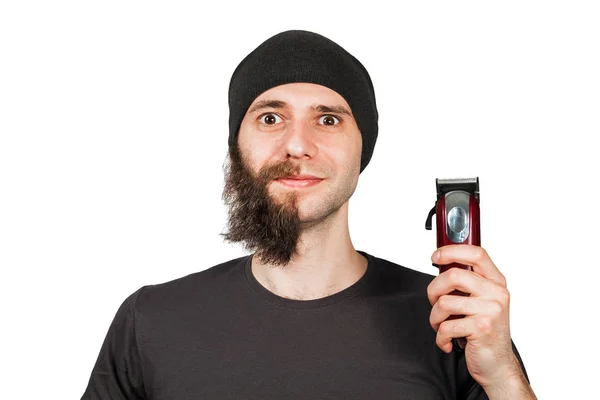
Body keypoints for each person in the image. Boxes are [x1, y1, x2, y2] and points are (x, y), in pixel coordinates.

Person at [82, 30, 537, 399]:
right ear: (237, 146)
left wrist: (503, 379)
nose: (298, 144)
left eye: (328, 120)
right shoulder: (152, 321)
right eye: (270, 118)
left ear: (363, 149)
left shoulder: (453, 320)